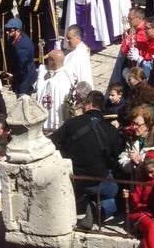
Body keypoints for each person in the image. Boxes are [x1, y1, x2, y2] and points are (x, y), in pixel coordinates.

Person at [52, 90, 123, 227]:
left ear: (89, 104)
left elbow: (54, 141)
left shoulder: (72, 123)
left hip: (74, 178)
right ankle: (97, 211)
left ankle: (84, 204)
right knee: (120, 197)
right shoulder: (111, 130)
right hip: (98, 179)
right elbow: (115, 158)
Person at [3, 17, 37, 96]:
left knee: (22, 103)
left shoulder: (21, 47)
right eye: (6, 30)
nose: (7, 32)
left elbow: (22, 69)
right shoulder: (22, 37)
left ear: (18, 30)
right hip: (27, 75)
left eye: (10, 30)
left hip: (24, 80)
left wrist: (13, 77)